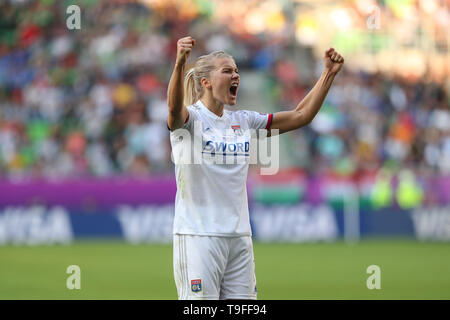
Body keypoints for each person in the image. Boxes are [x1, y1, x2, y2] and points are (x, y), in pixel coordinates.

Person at [167, 36, 344, 300]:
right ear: (205, 82)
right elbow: (172, 107)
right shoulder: (190, 119)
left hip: (239, 238)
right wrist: (180, 62)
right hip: (199, 236)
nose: (235, 75)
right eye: (227, 70)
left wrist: (328, 74)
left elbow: (300, 116)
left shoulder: (245, 120)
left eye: (237, 70)